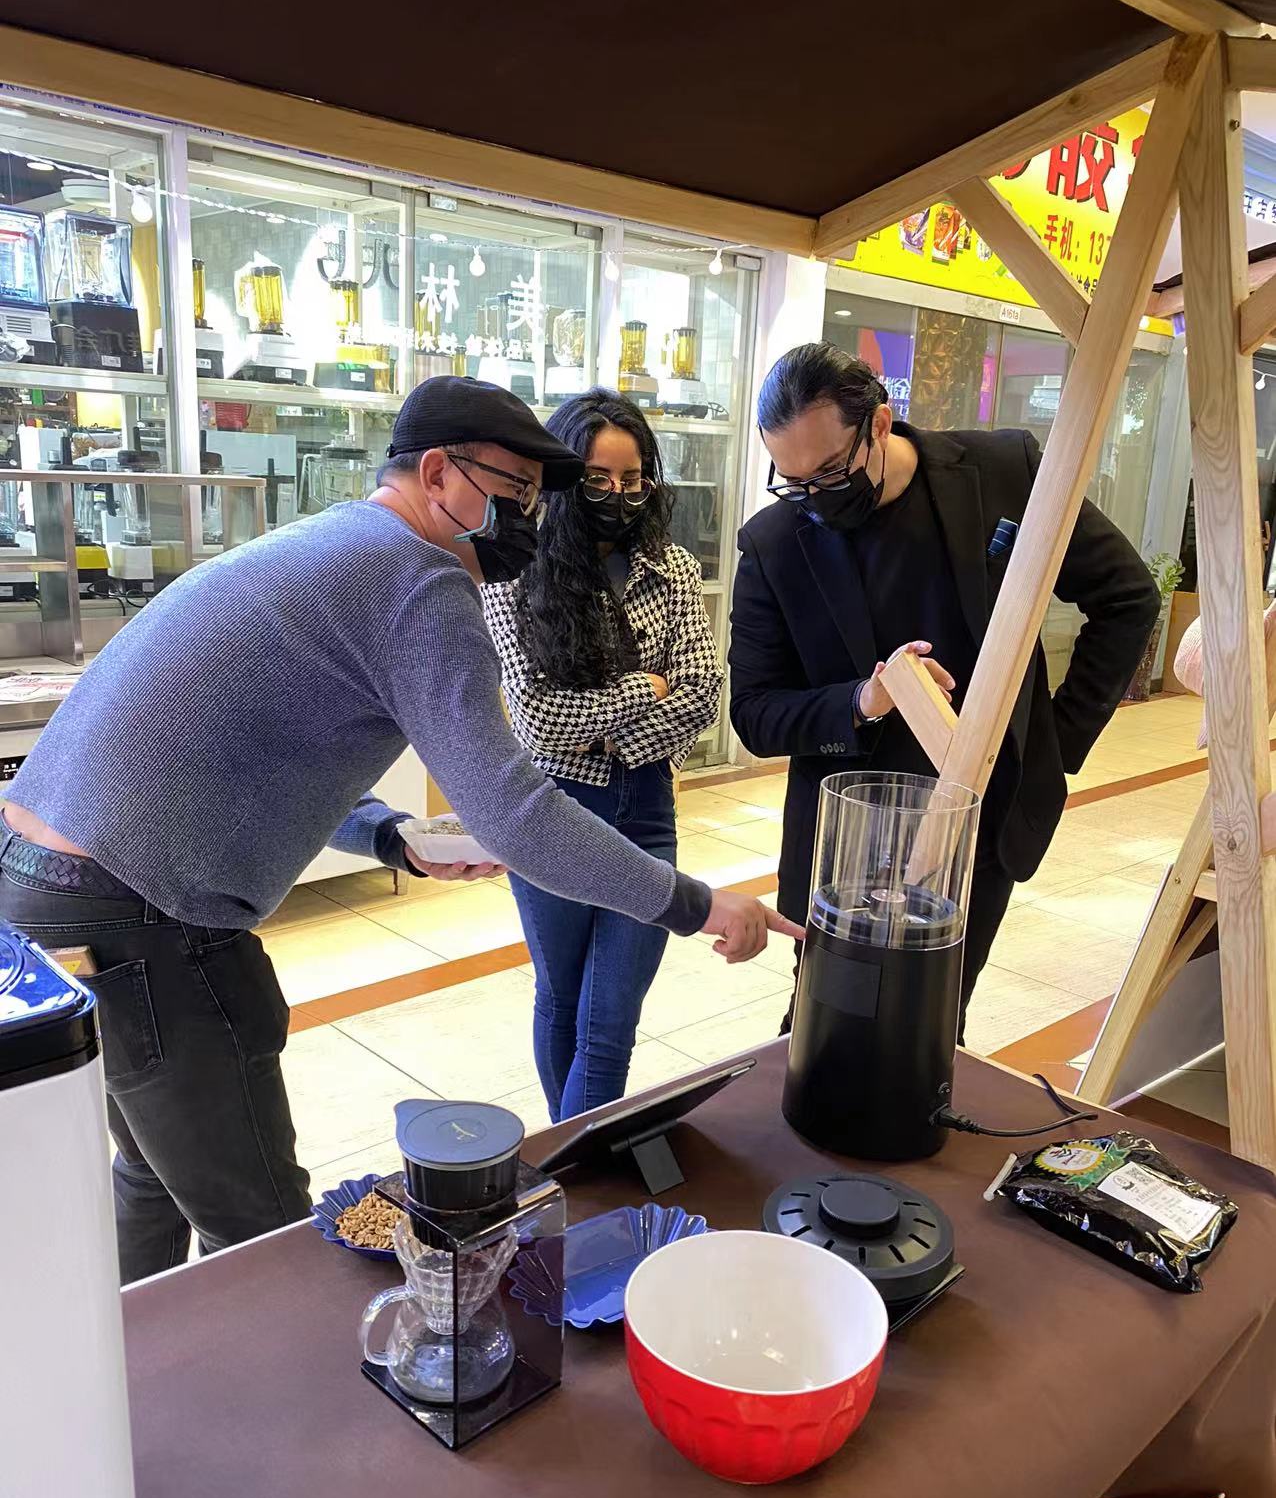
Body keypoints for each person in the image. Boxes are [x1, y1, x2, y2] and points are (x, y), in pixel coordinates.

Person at [1, 377, 798, 1284]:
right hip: (137, 912)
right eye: (513, 489)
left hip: (41, 889)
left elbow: (254, 746)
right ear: (435, 472)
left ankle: (130, 1390)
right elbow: (514, 808)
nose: (528, 515)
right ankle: (282, 1418)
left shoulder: (339, 543)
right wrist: (694, 906)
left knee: (152, 1168)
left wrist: (388, 837)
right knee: (259, 1232)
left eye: (539, 497)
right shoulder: (418, 576)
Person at [729, 342, 1159, 1032]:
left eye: (830, 473)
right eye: (793, 481)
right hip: (847, 835)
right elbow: (754, 712)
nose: (815, 498)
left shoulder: (1001, 471)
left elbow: (1128, 596)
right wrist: (863, 699)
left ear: (878, 423)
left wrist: (1055, 739)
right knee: (823, 1023)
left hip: (978, 823)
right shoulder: (776, 543)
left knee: (933, 1022)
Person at [482, 389, 722, 1121]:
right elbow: (542, 723)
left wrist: (610, 722)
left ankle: (575, 1173)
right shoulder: (513, 574)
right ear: (562, 477)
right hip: (551, 811)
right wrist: (645, 690)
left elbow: (705, 693)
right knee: (561, 997)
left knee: (610, 1019)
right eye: (597, 478)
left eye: (632, 477)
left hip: (647, 809)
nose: (616, 494)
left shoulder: (671, 567)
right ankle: (575, 1164)